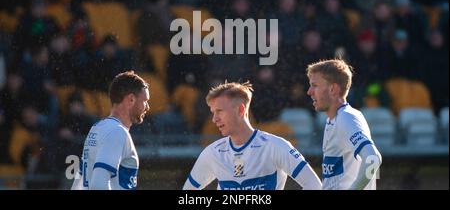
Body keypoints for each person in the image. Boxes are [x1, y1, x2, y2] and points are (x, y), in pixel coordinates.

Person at [183, 81, 322, 190]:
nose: (214, 119)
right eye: (213, 112)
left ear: (240, 110)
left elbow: (314, 185)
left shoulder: (275, 146)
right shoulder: (212, 153)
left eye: (220, 111)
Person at [306, 59, 382, 190]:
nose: (309, 92)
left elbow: (373, 159)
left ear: (333, 89)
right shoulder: (334, 119)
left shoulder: (346, 117)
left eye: (315, 85)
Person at [71, 71, 150, 190]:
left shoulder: (98, 128)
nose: (147, 107)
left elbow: (79, 185)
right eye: (145, 101)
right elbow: (98, 185)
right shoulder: (117, 132)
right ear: (131, 99)